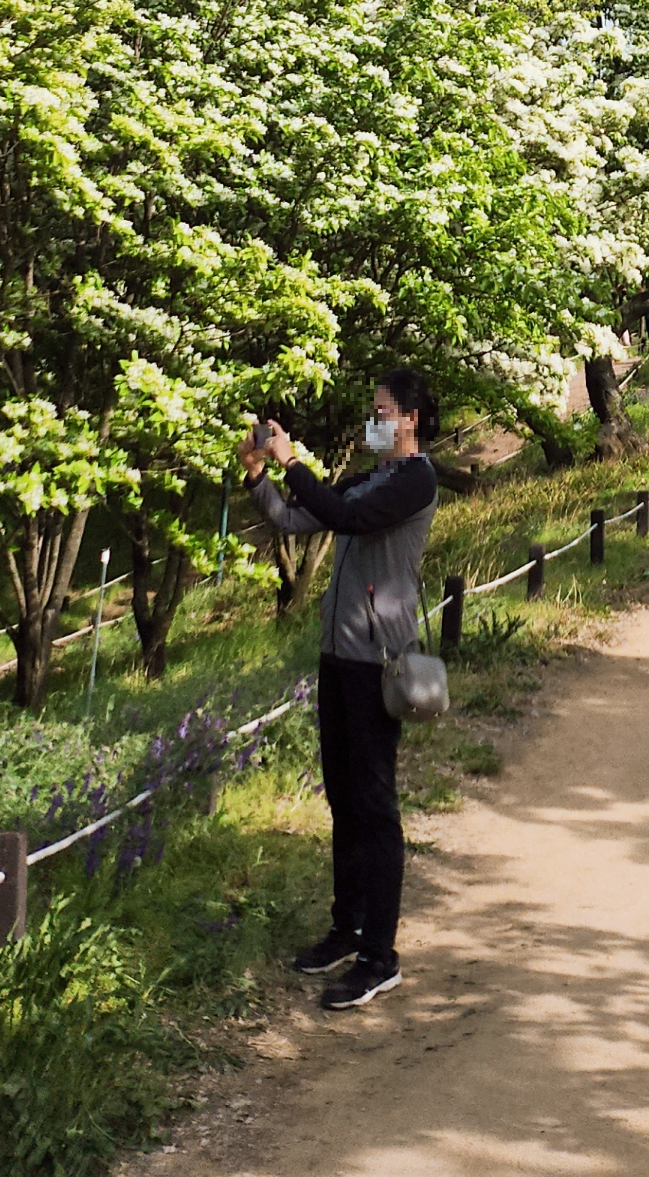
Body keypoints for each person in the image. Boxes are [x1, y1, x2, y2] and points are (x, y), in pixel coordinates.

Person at [244, 371, 440, 1011]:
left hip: (376, 665)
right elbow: (300, 517)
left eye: (381, 411)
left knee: (376, 806)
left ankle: (380, 956)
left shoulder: (415, 481)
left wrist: (293, 459)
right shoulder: (368, 477)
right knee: (344, 801)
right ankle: (347, 927)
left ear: (408, 417)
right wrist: (257, 474)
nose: (372, 420)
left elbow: (346, 518)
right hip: (337, 657)